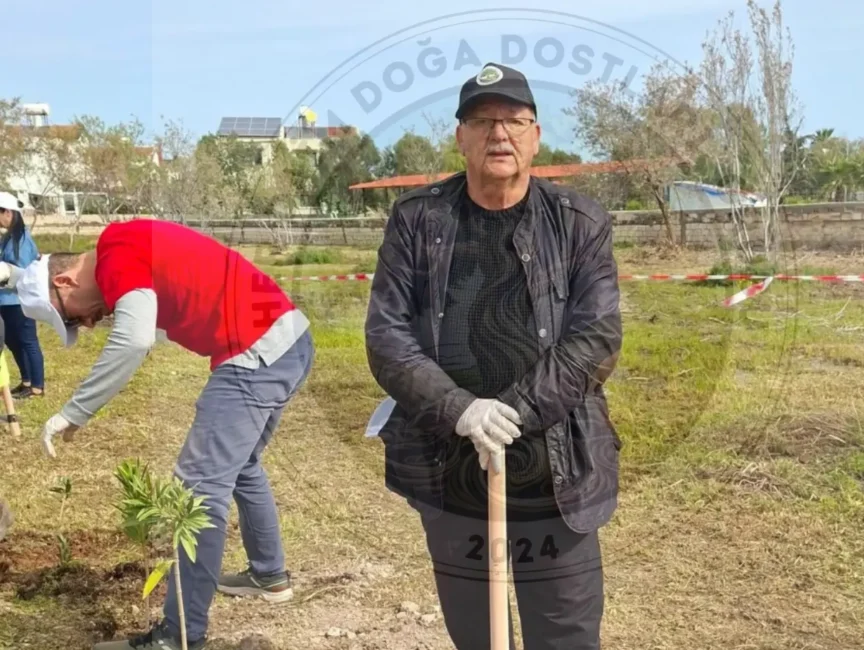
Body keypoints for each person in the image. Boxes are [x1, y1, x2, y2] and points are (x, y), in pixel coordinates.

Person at [365, 62, 623, 650]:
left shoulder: (579, 223)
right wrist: (461, 410)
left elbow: (596, 338)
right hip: (449, 465)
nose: (498, 134)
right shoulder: (417, 220)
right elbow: (387, 335)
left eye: (513, 121)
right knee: (477, 632)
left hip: (557, 467)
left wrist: (511, 415)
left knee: (565, 634)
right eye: (482, 121)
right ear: (461, 137)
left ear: (536, 136)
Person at [14, 219, 314, 650]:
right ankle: (269, 575)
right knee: (242, 465)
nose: (88, 324)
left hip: (255, 350)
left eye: (72, 317)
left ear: (64, 281)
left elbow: (134, 339)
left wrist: (75, 411)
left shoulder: (115, 251)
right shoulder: (128, 247)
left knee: (198, 490)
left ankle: (177, 637)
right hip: (288, 339)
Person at [0, 192, 44, 399]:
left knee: (28, 341)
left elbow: (26, 272)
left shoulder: (23, 240)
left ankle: (37, 386)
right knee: (12, 340)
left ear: (8, 213)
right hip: (5, 300)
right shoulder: (7, 238)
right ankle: (26, 381)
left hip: (19, 300)